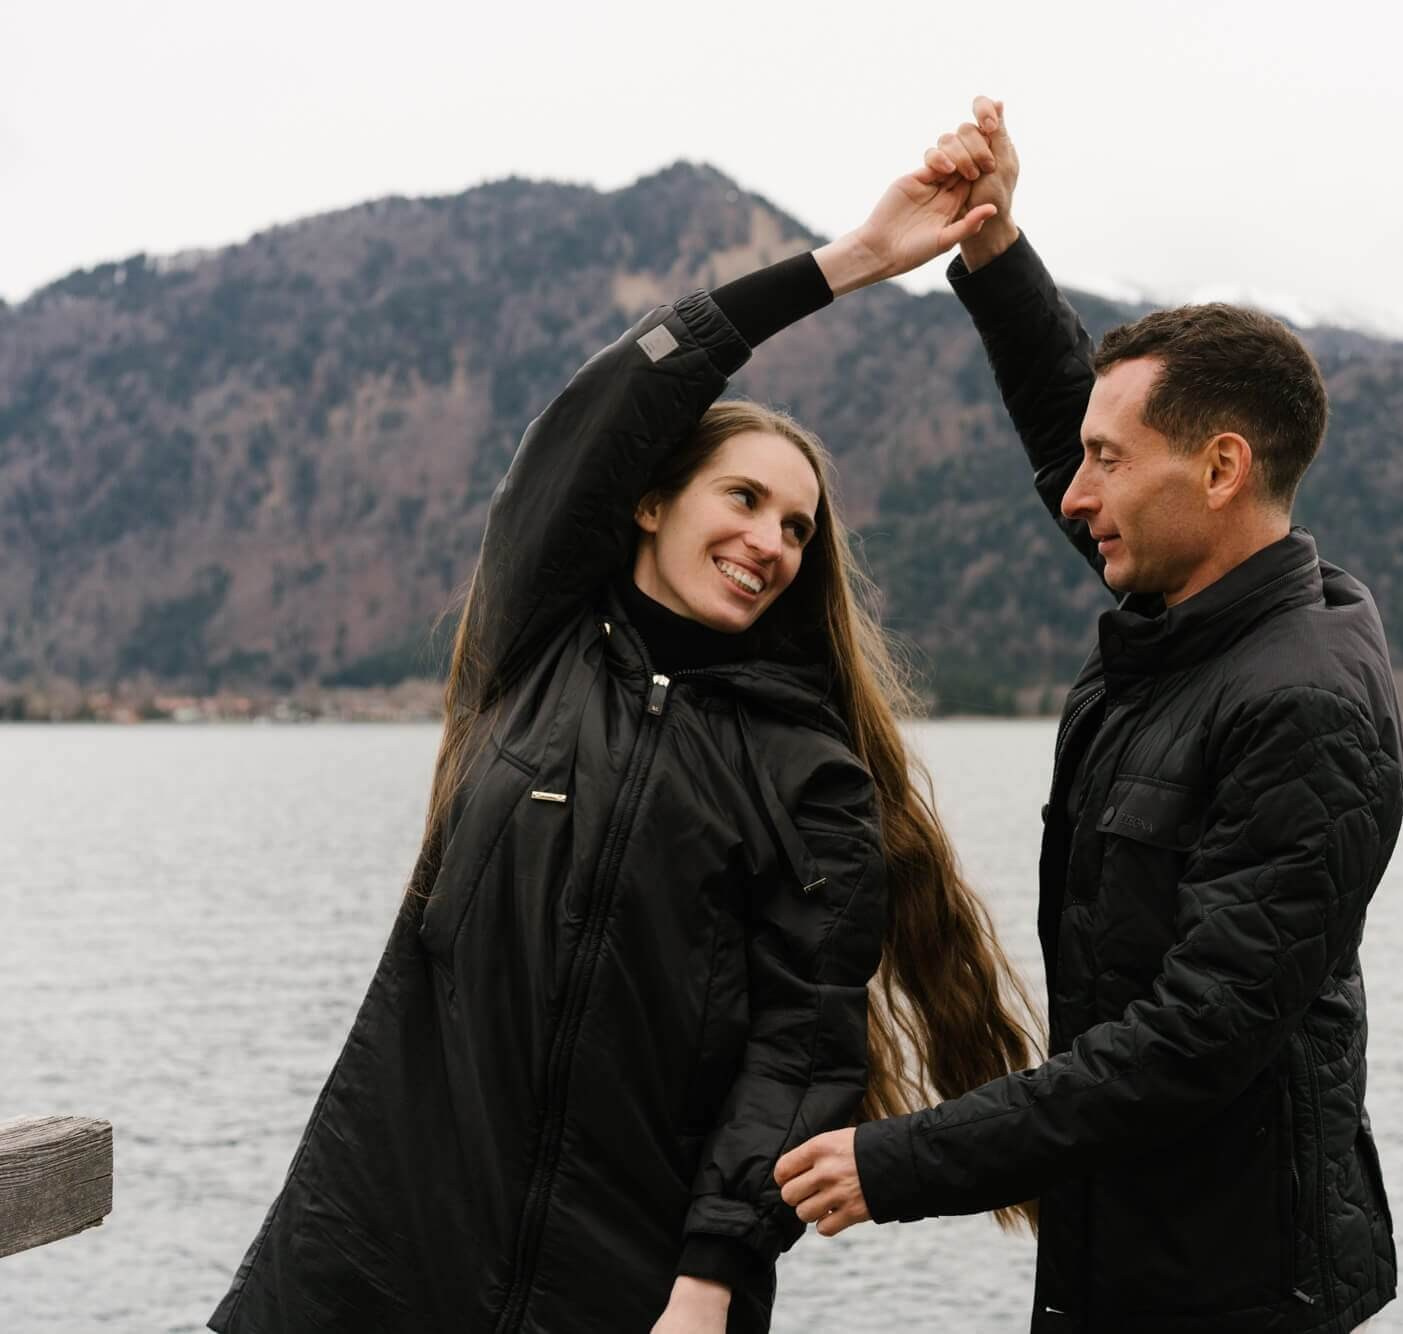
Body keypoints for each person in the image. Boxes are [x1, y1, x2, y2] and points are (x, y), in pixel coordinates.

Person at [209, 148, 1036, 1334]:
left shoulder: (810, 771)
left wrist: (708, 1277)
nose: (772, 539)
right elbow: (600, 413)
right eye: (742, 498)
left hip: (634, 1289)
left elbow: (798, 1050)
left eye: (797, 525)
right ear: (649, 500)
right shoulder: (534, 652)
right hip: (376, 1257)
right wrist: (848, 264)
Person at [777, 98, 1403, 1333]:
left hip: (1232, 1288)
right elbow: (1070, 422)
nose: (1075, 496)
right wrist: (989, 246)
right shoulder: (1191, 619)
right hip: (1117, 1248)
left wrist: (899, 1160)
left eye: (1108, 462)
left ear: (1220, 469)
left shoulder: (1304, 706)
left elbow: (1191, 1042)